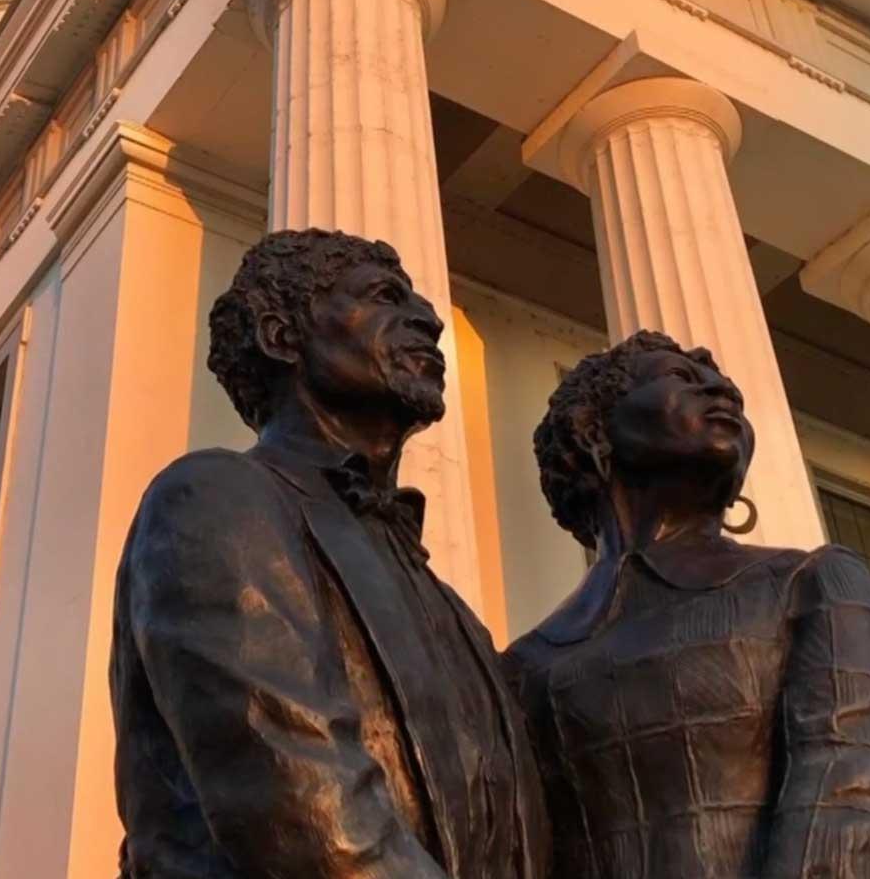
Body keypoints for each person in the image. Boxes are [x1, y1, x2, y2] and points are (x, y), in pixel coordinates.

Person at [110, 229, 547, 878]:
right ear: (281, 336)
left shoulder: (450, 608)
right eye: (384, 297)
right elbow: (309, 820)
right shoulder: (214, 499)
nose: (427, 319)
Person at [505, 331, 870, 877]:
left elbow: (858, 808)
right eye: (681, 378)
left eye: (724, 386)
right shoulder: (521, 669)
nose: (719, 392)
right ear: (591, 430)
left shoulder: (812, 584)